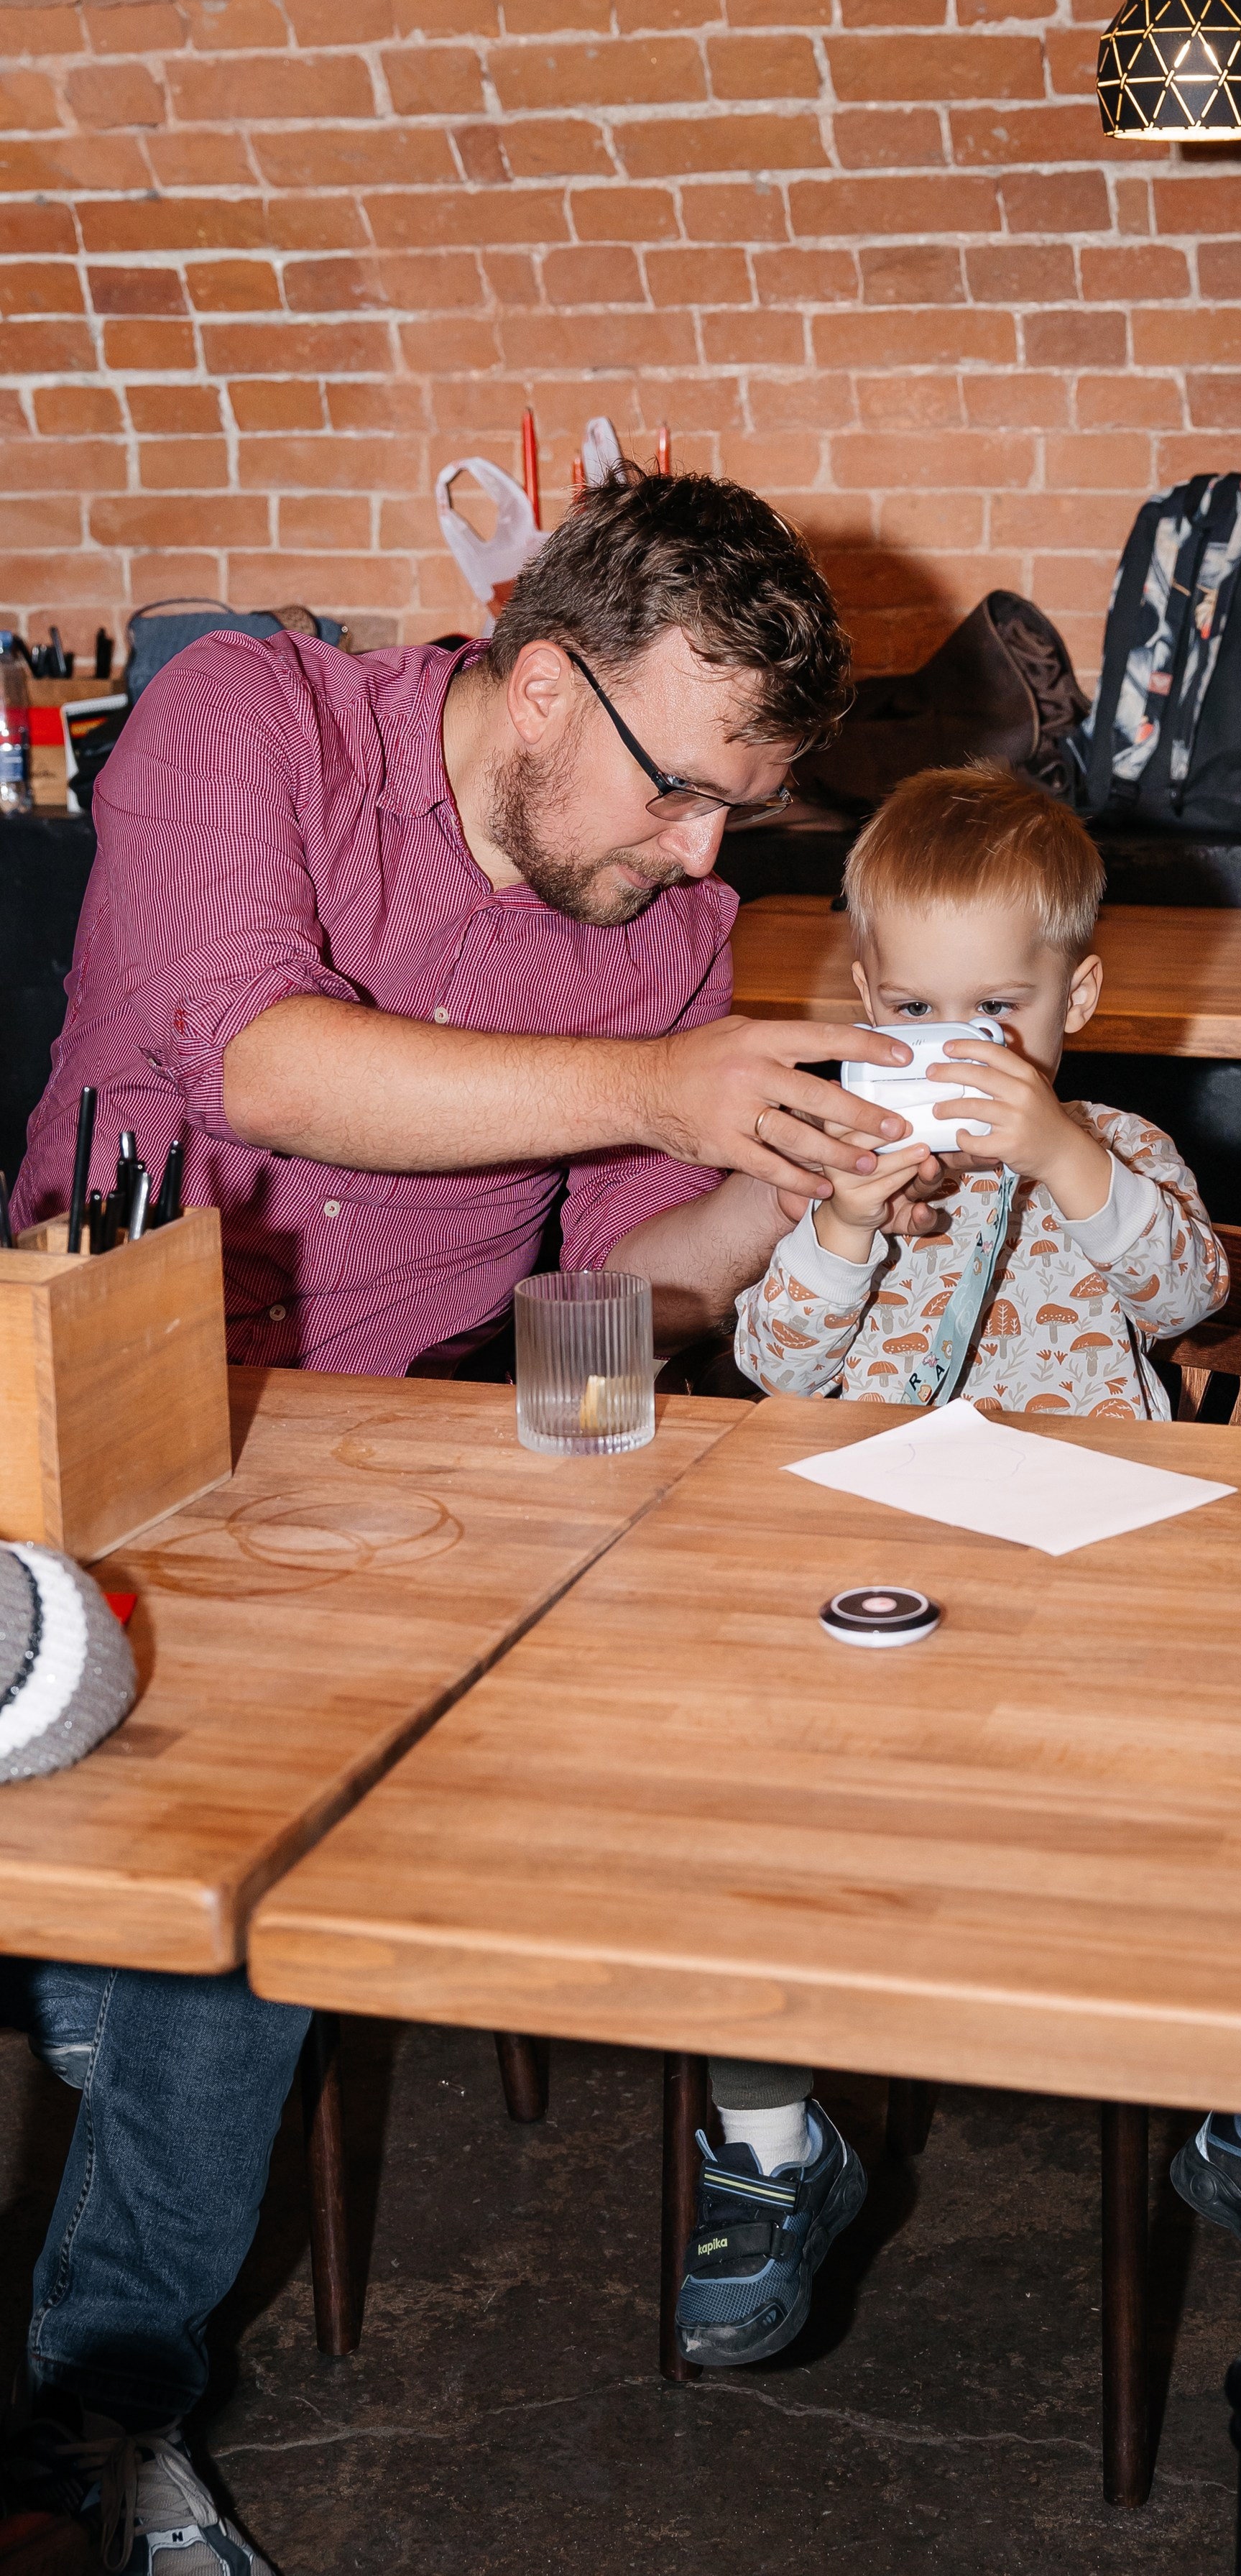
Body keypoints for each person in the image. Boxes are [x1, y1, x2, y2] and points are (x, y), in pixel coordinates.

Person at [3, 471, 937, 2575]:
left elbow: (642, 1281)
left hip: (399, 1474)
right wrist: (663, 1087)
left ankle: (98, 2414)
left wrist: (787, 1173)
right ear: (538, 690)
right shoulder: (248, 716)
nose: (705, 860)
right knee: (187, 1858)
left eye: (739, 818)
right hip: (81, 1420)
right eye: (685, 794)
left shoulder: (665, 926)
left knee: (232, 1849)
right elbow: (255, 1064)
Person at [674, 765, 1241, 2369]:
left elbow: (1187, 1286)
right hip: (874, 1574)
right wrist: (848, 1224)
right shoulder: (846, 1152)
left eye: (1000, 1008)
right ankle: (770, 2144)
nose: (965, 1045)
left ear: (1075, 994)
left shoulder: (1122, 1145)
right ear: (870, 999)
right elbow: (776, 1363)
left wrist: (1063, 1150)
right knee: (728, 1794)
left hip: (1097, 1577)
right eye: (925, 1004)